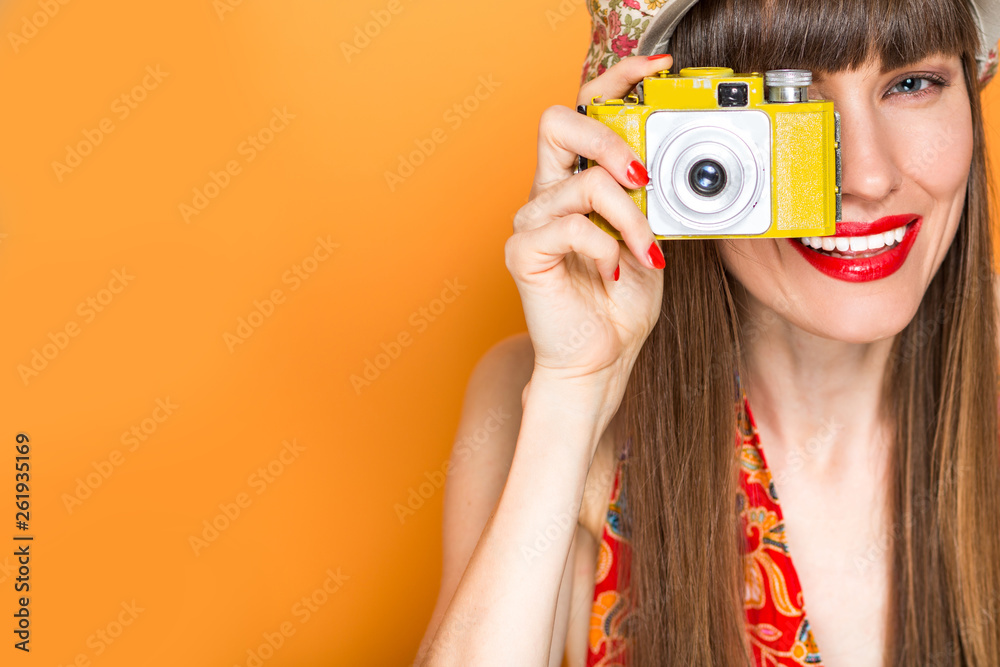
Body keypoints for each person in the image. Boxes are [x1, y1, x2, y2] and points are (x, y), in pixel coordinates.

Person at [415, 0, 1000, 665]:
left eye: (913, 84)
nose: (867, 176)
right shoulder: (532, 398)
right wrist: (572, 395)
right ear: (667, 134)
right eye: (790, 98)